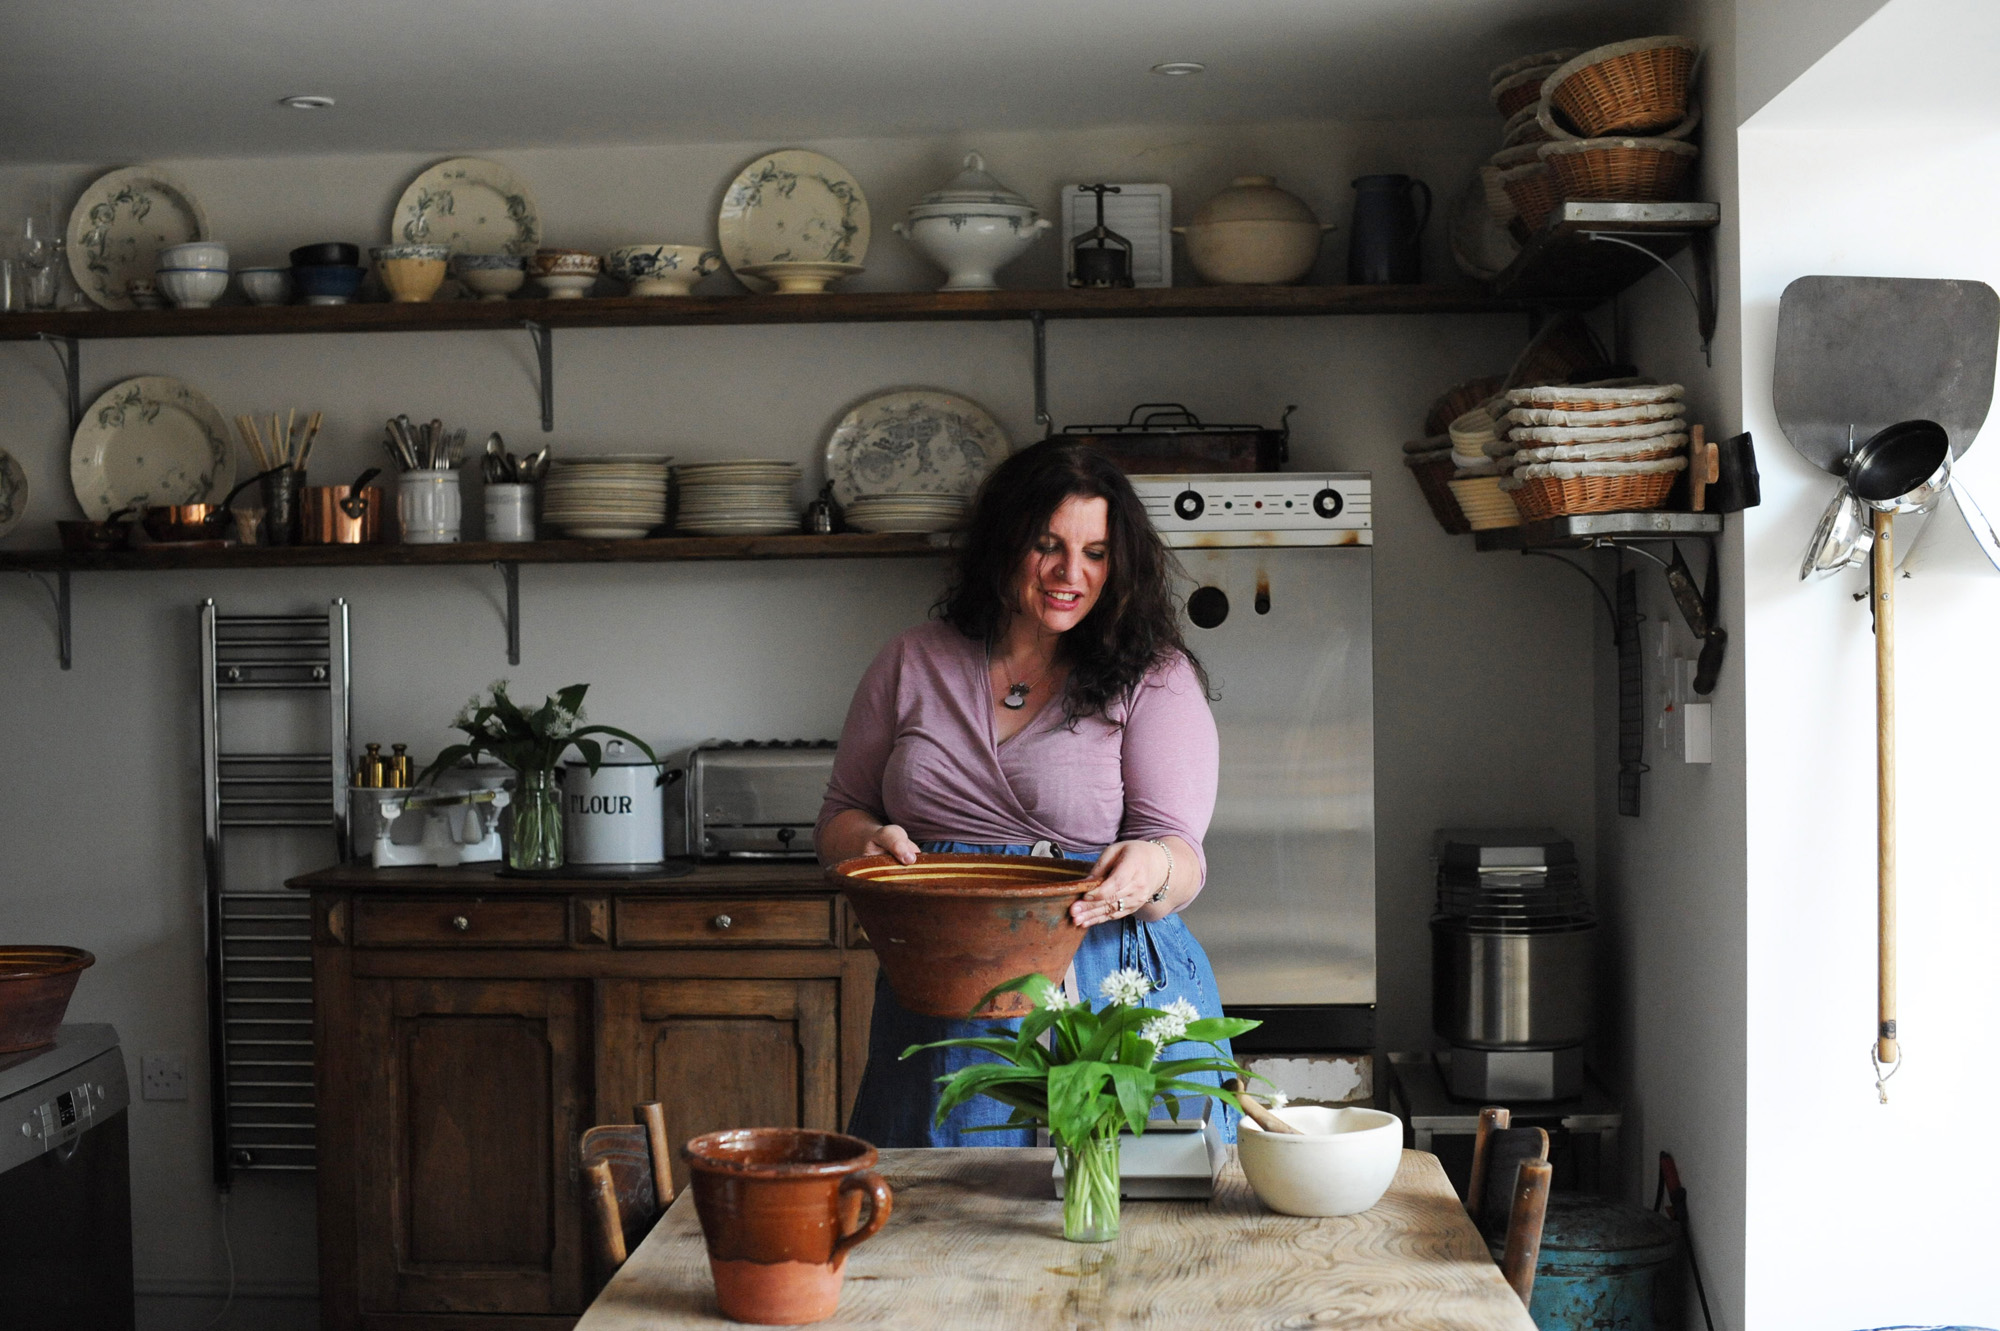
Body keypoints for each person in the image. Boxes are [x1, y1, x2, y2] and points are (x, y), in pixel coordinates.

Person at [815, 439, 1237, 1147]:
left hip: (1108, 994)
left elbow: (1182, 858)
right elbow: (839, 816)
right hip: (941, 994)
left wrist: (1151, 868)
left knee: (1126, 1227)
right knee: (942, 1231)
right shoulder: (911, 660)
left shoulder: (1155, 677)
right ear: (1004, 543)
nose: (1072, 573)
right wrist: (867, 843)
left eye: (1096, 552)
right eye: (1048, 545)